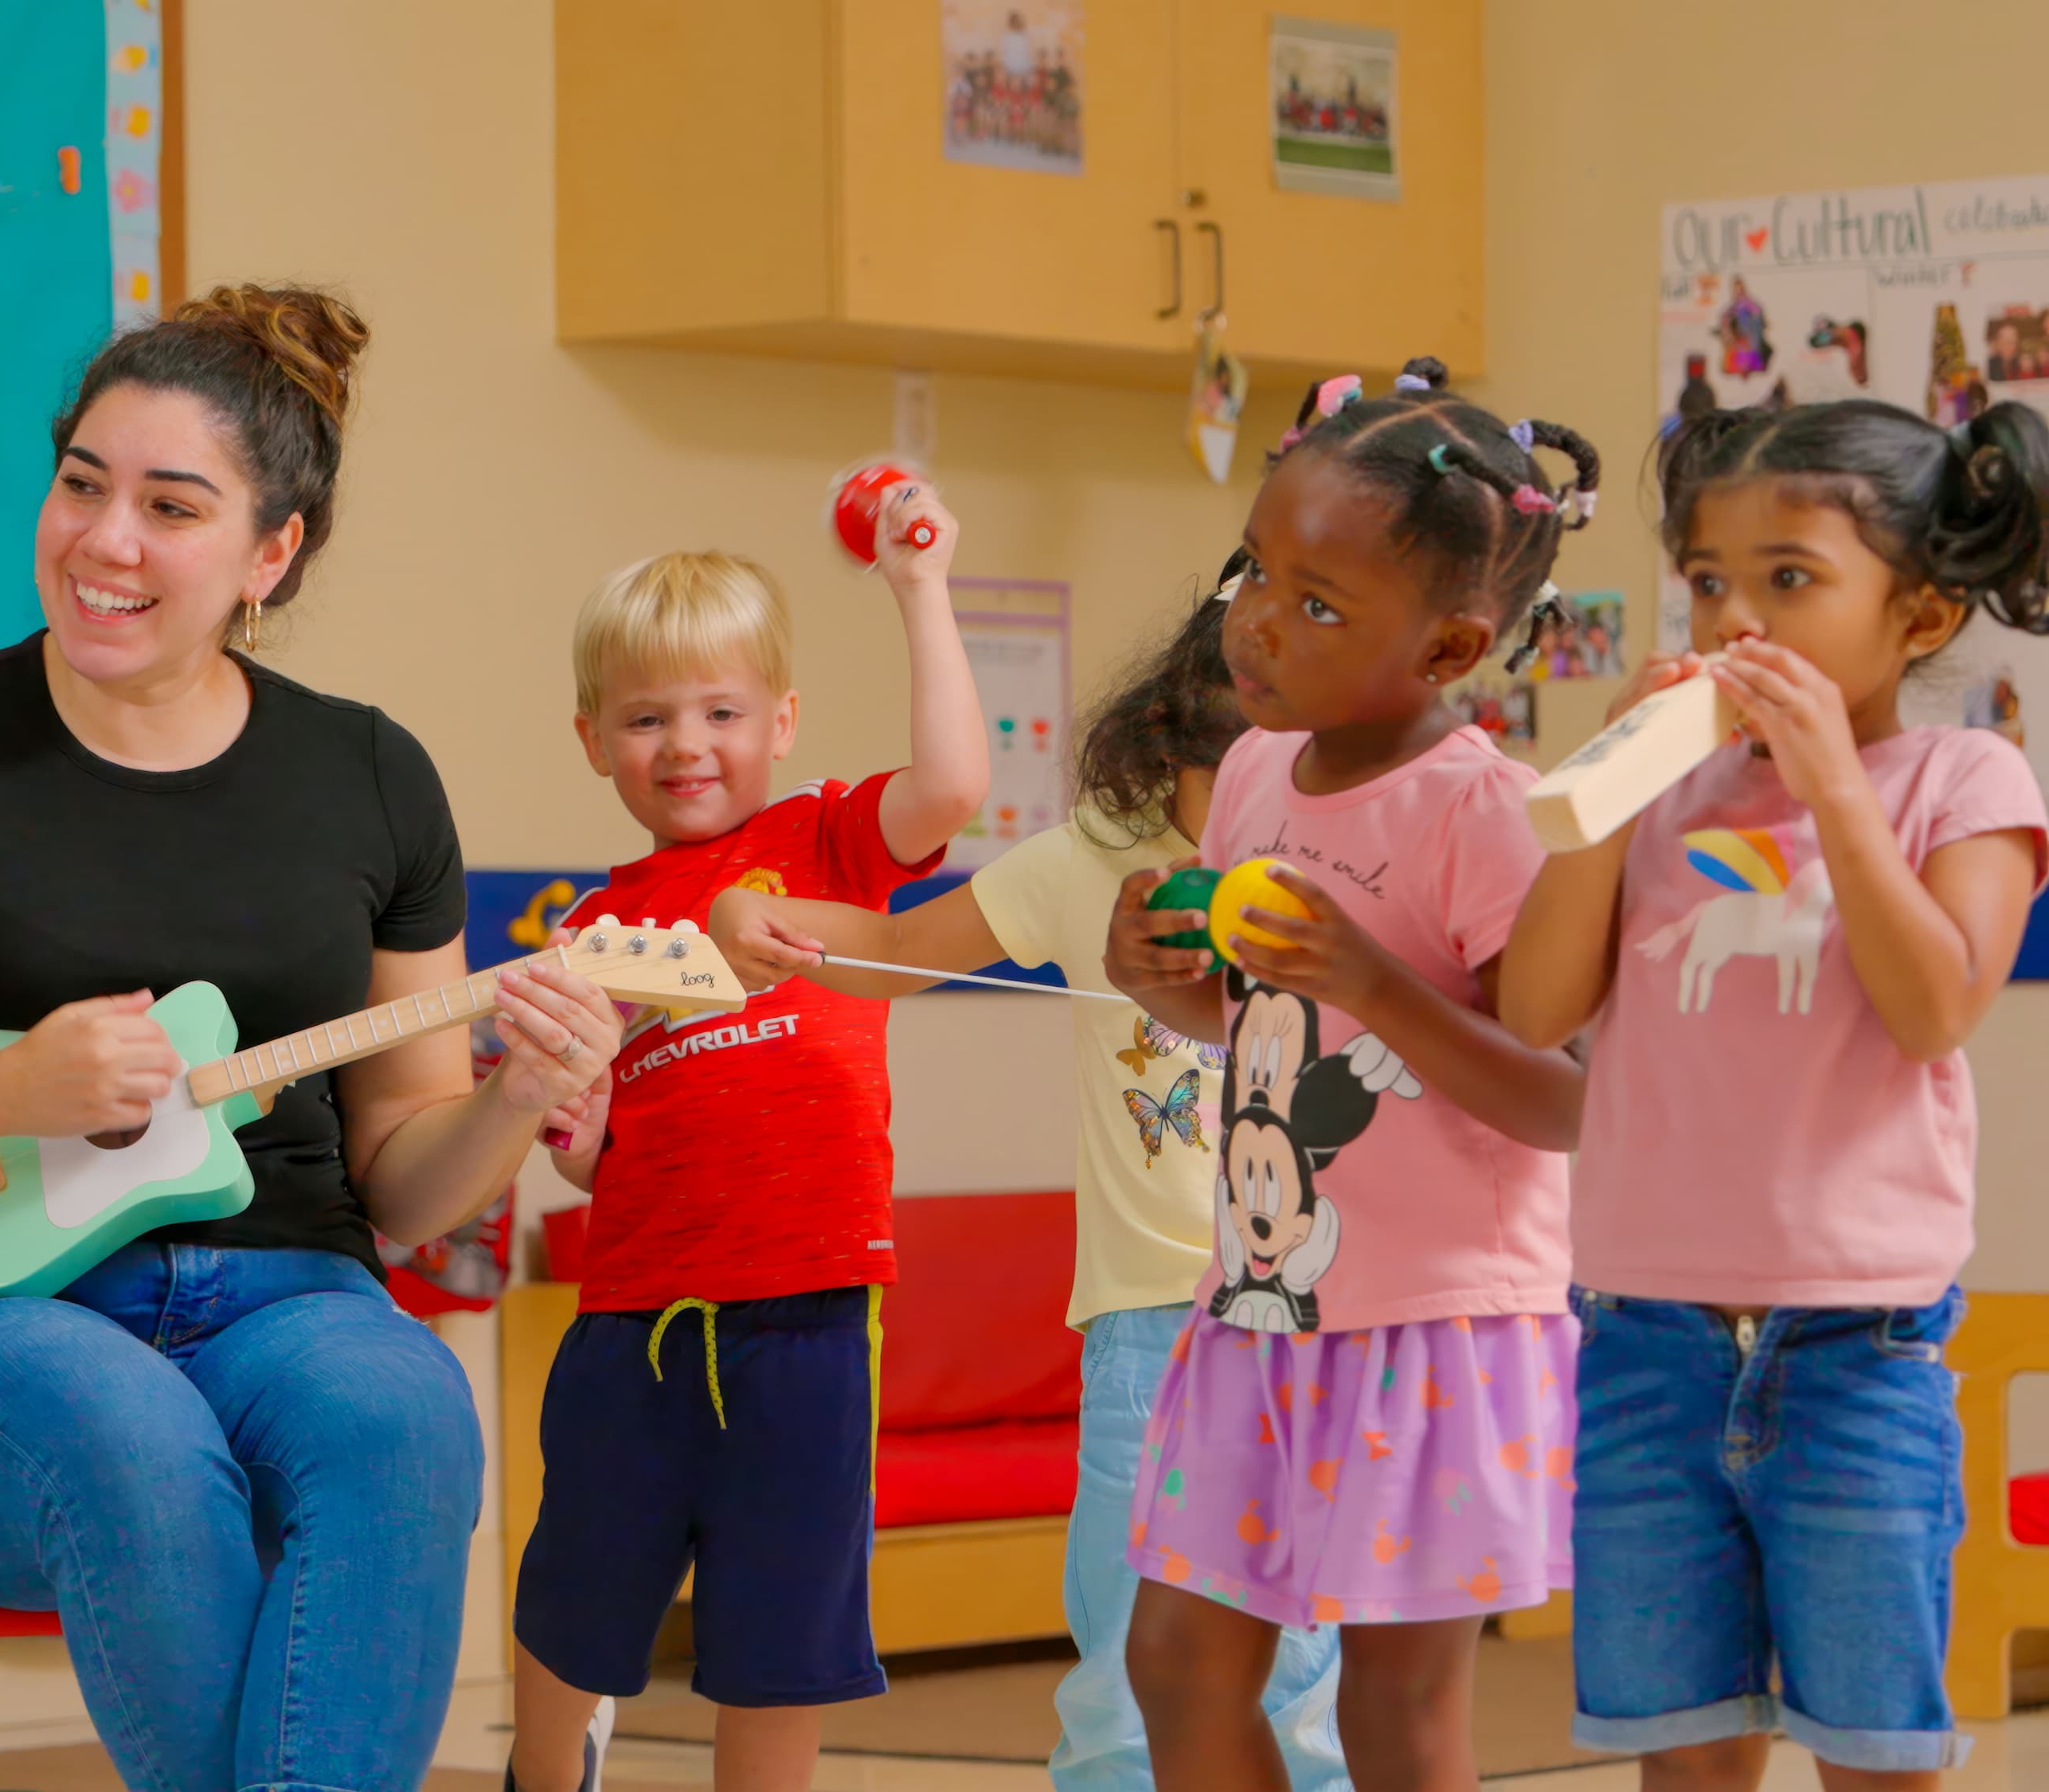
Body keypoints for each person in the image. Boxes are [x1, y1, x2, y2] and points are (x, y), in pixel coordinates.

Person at [0, 285, 620, 1792]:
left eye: (172, 506)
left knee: (406, 1407)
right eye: (82, 483)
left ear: (270, 552)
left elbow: (401, 1184)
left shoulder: (369, 776)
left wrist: (517, 1100)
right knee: (129, 1428)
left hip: (285, 1300)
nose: (105, 539)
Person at [705, 575, 1354, 1791]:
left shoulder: (1339, 863)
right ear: (1170, 746)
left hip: (1308, 1325)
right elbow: (896, 954)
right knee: (1120, 1679)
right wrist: (763, 915)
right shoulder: (1091, 860)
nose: (1249, 817)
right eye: (1231, 781)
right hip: (1149, 1331)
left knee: (1299, 1681)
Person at [1500, 399, 2049, 1789]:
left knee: (1872, 1746)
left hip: (1854, 1353)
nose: (1734, 617)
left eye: (1788, 580)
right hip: (1644, 1341)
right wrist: (1600, 797)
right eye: (1706, 579)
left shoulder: (1962, 775)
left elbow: (1937, 1004)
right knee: (1681, 1749)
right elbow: (1538, 1006)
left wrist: (1832, 792)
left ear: (1919, 617)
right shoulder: (1664, 798)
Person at [1101, 358, 1598, 1792]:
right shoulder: (1256, 771)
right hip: (1262, 1308)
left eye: (1317, 603)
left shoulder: (1487, 813)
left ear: (1449, 650)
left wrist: (1374, 980)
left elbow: (1563, 1097)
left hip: (1435, 1330)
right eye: (1256, 569)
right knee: (1177, 1667)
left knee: (1397, 1713)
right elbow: (1262, 1025)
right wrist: (1169, 983)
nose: (1257, 621)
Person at [507, 499, 995, 1792]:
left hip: (810, 1318)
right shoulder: (597, 920)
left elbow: (952, 786)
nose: (687, 745)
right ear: (594, 739)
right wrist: (579, 1123)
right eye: (647, 717)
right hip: (633, 1319)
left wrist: (918, 585)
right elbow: (580, 1154)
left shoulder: (824, 839)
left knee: (781, 1645)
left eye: (722, 712)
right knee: (573, 1604)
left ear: (780, 721)